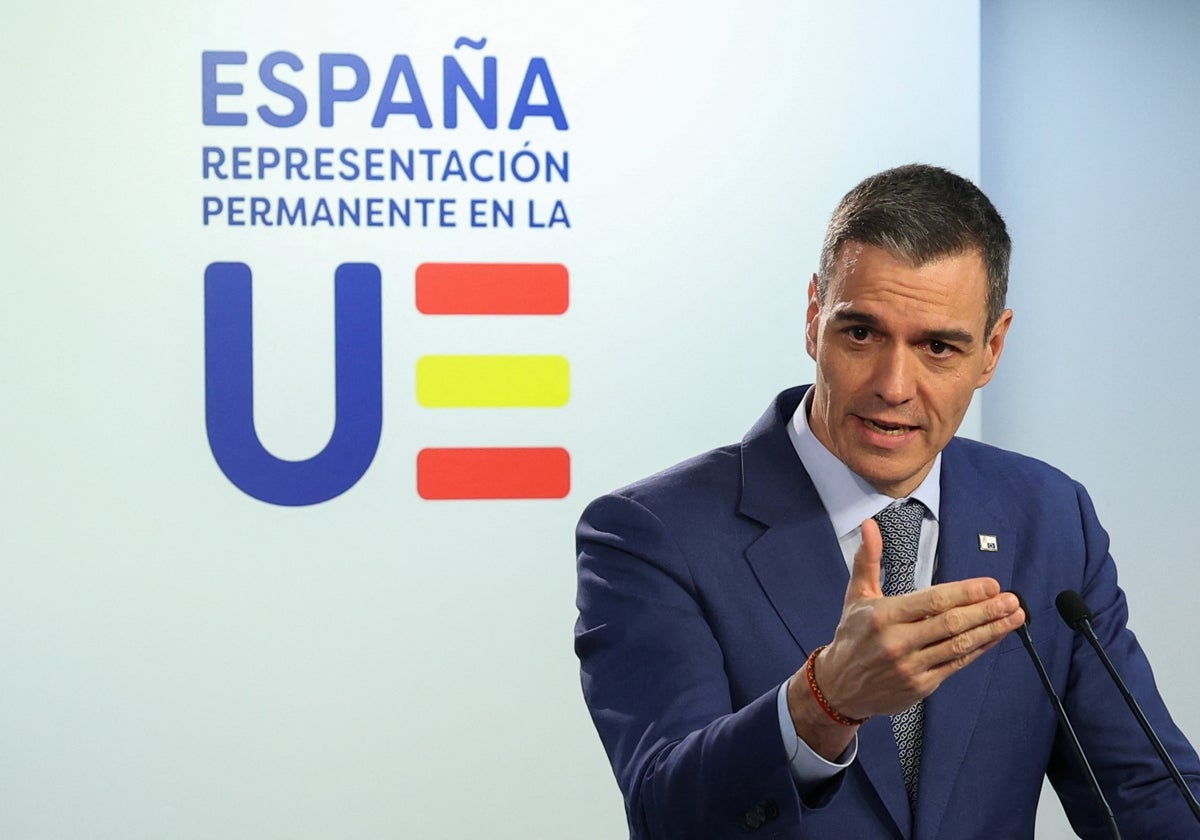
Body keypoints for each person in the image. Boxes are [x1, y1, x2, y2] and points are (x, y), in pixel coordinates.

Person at [574, 164, 1200, 839]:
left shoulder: (1047, 516)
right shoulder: (653, 533)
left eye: (938, 347)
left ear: (992, 349)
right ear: (815, 317)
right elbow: (667, 813)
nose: (894, 386)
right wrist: (825, 702)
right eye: (862, 334)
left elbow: (1144, 787)